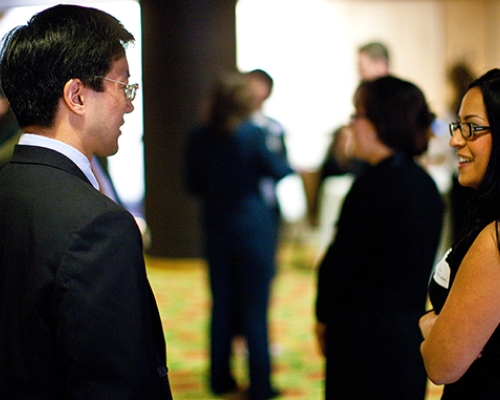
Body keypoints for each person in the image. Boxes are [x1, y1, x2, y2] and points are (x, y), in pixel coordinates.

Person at [0, 5, 173, 399]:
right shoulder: (98, 224)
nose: (129, 104)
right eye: (123, 86)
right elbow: (111, 380)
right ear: (76, 95)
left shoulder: (9, 184)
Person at [315, 76, 444, 399]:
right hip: (408, 335)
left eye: (356, 116)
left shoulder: (371, 186)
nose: (352, 126)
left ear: (378, 124)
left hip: (362, 339)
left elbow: (342, 263)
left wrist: (322, 316)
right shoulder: (425, 185)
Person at [185, 72, 293, 399]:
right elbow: (279, 169)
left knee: (221, 305)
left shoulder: (199, 136)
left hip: (216, 226)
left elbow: (191, 184)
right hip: (254, 228)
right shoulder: (255, 134)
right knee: (255, 308)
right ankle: (260, 385)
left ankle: (220, 379)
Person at [419, 68, 500, 399]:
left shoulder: (496, 239)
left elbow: (441, 364)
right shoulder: (488, 217)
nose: (455, 140)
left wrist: (429, 326)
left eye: (472, 127)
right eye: (458, 126)